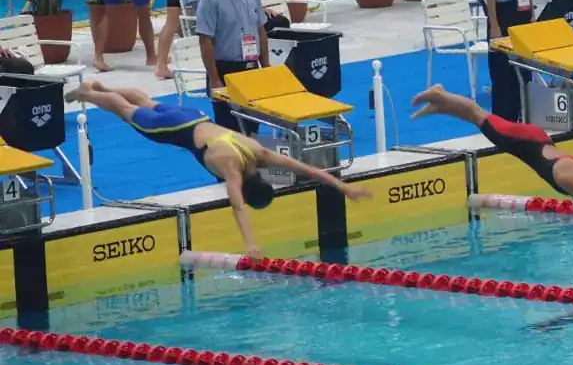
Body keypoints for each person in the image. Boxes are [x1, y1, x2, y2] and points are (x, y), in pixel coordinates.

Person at [65, 80, 372, 259]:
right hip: (176, 130)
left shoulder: (260, 153)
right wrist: (250, 243)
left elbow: (309, 169)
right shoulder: (233, 170)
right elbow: (237, 207)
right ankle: (89, 93)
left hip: (195, 117)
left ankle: (101, 87)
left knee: (145, 100)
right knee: (125, 110)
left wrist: (345, 187)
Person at [412, 85, 573, 260]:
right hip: (524, 142)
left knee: (480, 120)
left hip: (537, 139)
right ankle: (441, 94)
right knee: (478, 115)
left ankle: (441, 106)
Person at [196, 0, 269, 133]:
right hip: (226, 70)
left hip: (251, 67)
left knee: (252, 129)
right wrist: (214, 79)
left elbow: (261, 31)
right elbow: (205, 42)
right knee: (230, 132)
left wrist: (266, 68)